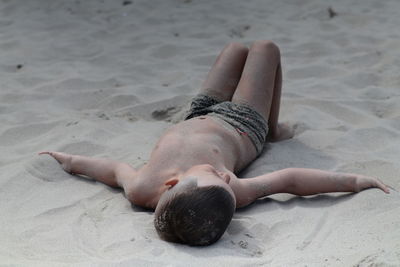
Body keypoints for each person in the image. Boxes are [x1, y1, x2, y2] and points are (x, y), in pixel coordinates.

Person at [40, 41, 389, 246]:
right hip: (244, 124)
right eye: (225, 181)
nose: (225, 177)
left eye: (215, 176)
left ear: (171, 183)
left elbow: (113, 170)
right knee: (266, 49)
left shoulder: (141, 188)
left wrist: (71, 160)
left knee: (235, 49)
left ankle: (268, 119)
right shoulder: (233, 191)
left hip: (200, 112)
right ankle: (274, 127)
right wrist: (353, 181)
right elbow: (291, 181)